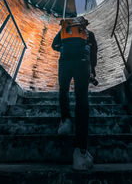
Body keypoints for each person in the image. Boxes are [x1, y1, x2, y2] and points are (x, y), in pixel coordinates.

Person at [52, 16, 97, 170]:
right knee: (82, 99)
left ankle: (65, 121)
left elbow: (54, 45)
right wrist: (93, 70)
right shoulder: (88, 33)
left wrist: (63, 49)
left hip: (65, 63)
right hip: (83, 64)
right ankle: (80, 152)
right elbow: (93, 53)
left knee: (63, 90)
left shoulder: (65, 30)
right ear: (84, 24)